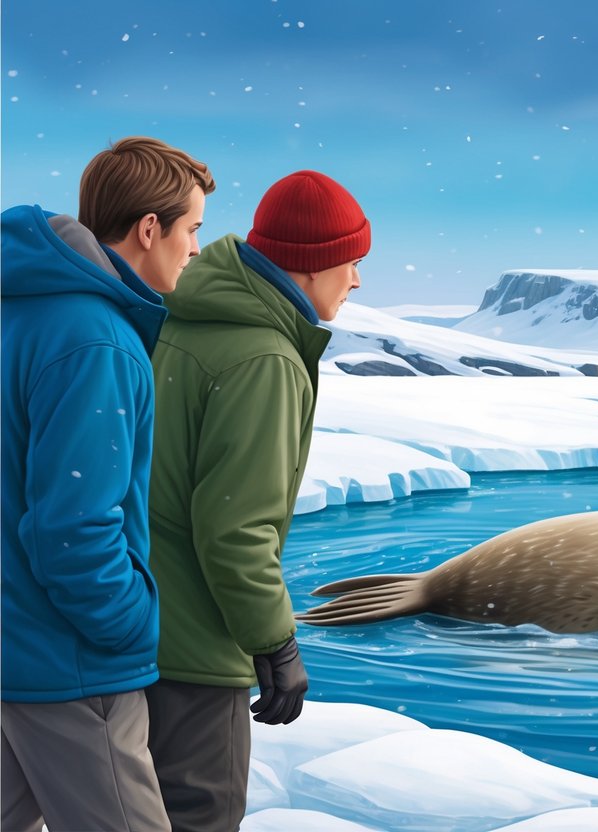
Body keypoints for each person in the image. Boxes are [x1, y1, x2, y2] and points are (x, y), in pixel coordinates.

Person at [146, 169, 370, 830]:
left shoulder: (186, 321)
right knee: (199, 811)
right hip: (194, 640)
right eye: (352, 263)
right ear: (313, 264)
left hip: (140, 621)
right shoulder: (261, 358)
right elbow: (235, 527)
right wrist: (275, 642)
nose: (355, 281)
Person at [1, 136, 214, 832]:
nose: (194, 250)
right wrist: (125, 629)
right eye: (191, 230)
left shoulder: (19, 315)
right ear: (149, 230)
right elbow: (74, 526)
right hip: (69, 662)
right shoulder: (96, 340)